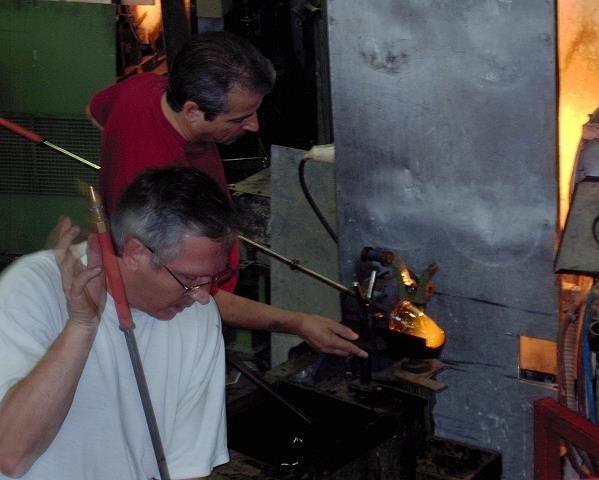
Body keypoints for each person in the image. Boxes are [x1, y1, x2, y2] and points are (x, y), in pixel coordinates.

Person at [87, 31, 367, 359]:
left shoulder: (143, 87)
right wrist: (298, 323)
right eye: (240, 118)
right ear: (192, 111)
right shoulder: (162, 194)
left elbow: (95, 110)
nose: (254, 126)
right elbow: (202, 295)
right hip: (171, 318)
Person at [0, 167, 236, 479]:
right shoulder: (33, 287)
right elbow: (10, 455)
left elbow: (187, 468)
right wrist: (82, 326)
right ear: (136, 253)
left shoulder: (197, 315)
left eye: (215, 277)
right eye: (190, 278)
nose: (203, 296)